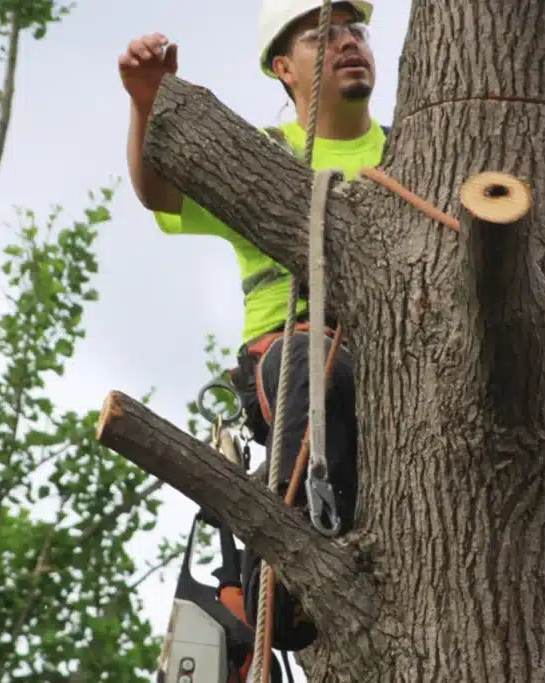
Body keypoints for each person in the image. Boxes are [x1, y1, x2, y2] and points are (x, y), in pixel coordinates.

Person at [119, 0, 387, 653]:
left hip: (392, 366)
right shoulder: (264, 158)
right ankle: (290, 568)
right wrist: (146, 106)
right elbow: (159, 191)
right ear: (282, 68)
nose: (349, 42)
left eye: (355, 30)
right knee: (306, 365)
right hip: (293, 359)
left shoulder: (411, 154)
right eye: (324, 37)